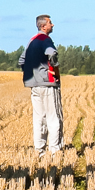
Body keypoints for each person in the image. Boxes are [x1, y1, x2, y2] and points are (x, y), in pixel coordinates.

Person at [19, 14, 64, 159]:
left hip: (34, 85)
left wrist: (32, 74)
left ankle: (40, 150)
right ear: (43, 26)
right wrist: (55, 72)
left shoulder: (31, 41)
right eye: (51, 23)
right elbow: (52, 55)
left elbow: (21, 61)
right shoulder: (46, 40)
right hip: (48, 84)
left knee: (39, 118)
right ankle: (55, 150)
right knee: (54, 117)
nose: (53, 25)